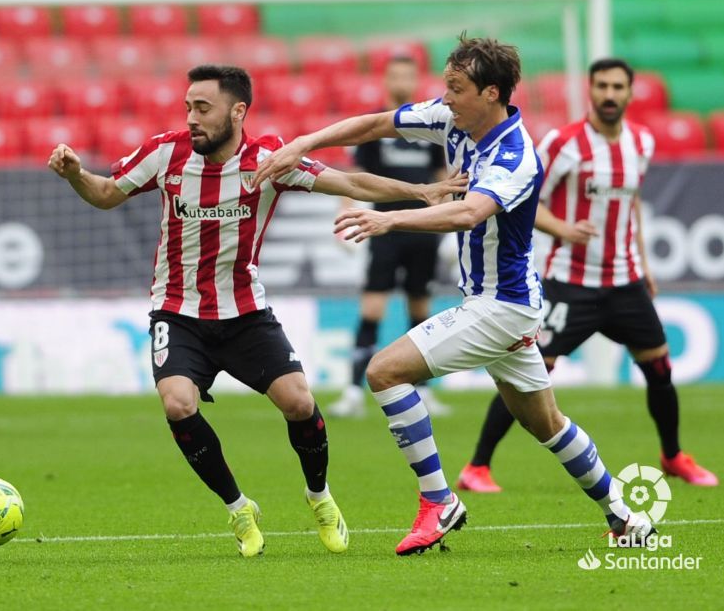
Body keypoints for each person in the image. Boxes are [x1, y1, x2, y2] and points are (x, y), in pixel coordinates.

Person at [255, 36, 655, 556]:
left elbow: (469, 213)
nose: (445, 97)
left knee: (384, 372)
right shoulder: (450, 118)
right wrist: (302, 143)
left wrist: (389, 219)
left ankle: (438, 501)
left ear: (491, 93)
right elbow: (375, 123)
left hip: (500, 307)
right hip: (508, 306)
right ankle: (625, 516)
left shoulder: (515, 155)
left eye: (456, 88)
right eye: (446, 85)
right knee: (547, 424)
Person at [48, 64, 467, 558]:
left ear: (237, 111)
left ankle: (319, 496)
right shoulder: (165, 153)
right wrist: (76, 174)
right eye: (188, 107)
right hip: (178, 312)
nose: (192, 118)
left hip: (246, 313)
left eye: (203, 108)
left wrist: (420, 192)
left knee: (299, 404)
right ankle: (238, 507)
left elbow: (350, 183)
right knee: (177, 404)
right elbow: (105, 194)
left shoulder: (268, 160)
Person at [456, 58, 717, 493]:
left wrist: (644, 266)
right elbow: (522, 197)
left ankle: (673, 456)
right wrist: (563, 229)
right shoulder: (564, 143)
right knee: (529, 373)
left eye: (617, 87)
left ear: (629, 93)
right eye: (602, 86)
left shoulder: (642, 142)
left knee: (659, 367)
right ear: (590, 90)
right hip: (571, 283)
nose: (609, 94)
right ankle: (477, 467)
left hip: (625, 281)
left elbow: (631, 205)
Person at [330, 54, 452, 419]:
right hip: (383, 228)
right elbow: (354, 176)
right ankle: (353, 390)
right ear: (386, 80)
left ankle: (424, 390)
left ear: (415, 81)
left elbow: (441, 176)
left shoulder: (430, 126)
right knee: (372, 308)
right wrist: (344, 214)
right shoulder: (375, 125)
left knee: (421, 311)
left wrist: (448, 221)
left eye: (407, 76)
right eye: (395, 75)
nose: (401, 82)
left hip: (423, 229)